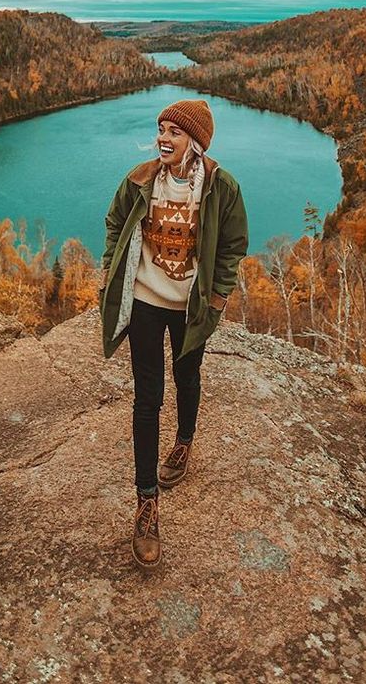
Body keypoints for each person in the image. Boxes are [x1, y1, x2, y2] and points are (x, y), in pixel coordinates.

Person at [98, 97, 249, 569]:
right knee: (147, 397)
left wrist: (219, 297)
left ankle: (183, 442)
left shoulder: (222, 187)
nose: (163, 137)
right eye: (161, 128)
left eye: (174, 132)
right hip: (143, 301)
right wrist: (109, 272)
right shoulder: (140, 179)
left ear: (196, 142)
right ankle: (147, 505)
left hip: (190, 308)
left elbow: (233, 244)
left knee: (187, 377)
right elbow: (114, 223)